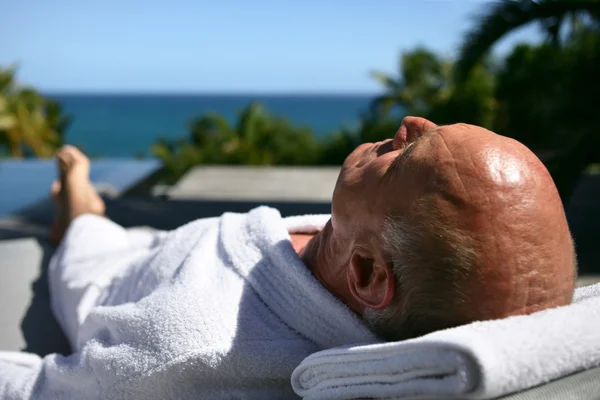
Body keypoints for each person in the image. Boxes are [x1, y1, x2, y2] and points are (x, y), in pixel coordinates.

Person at [0, 117, 576, 399]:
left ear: (369, 274)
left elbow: (47, 388)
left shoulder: (194, 345)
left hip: (107, 268)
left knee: (83, 219)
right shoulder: (347, 256)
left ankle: (77, 197)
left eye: (405, 158)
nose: (413, 122)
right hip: (168, 249)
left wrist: (82, 232)